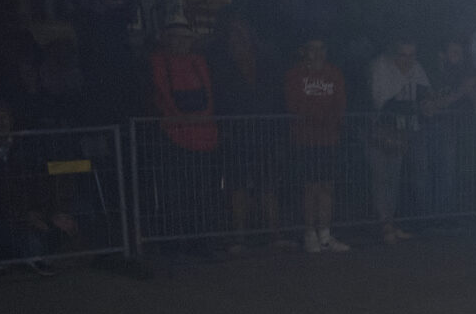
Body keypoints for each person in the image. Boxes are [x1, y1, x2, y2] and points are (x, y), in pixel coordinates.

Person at [0, 100, 74, 274]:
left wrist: (50, 212)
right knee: (19, 236)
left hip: (32, 213)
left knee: (63, 222)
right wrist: (22, 215)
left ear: (11, 120)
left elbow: (41, 185)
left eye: (3, 118)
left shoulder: (26, 148)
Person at [209, 15, 282, 244]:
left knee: (267, 184)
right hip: (236, 135)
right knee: (237, 185)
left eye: (242, 33)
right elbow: (220, 100)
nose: (238, 38)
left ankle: (273, 233)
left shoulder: (265, 64)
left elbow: (274, 97)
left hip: (263, 133)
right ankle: (239, 234)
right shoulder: (222, 67)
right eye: (234, 34)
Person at [148, 22, 221, 237]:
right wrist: (183, 117)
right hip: (173, 135)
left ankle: (202, 238)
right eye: (175, 37)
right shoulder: (158, 62)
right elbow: (162, 93)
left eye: (186, 38)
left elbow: (208, 94)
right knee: (175, 192)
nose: (181, 43)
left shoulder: (199, 62)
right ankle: (176, 240)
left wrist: (199, 117)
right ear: (166, 39)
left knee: (202, 191)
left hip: (202, 134)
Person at [283, 37, 350, 252]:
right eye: (312, 49)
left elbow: (340, 104)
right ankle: (309, 232)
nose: (317, 53)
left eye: (321, 48)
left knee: (327, 186)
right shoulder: (295, 74)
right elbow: (294, 105)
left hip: (329, 139)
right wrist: (320, 116)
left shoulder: (334, 73)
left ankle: (325, 234)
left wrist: (327, 119)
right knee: (310, 187)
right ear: (304, 51)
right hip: (306, 140)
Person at [368, 36, 431, 241]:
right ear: (393, 53)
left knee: (394, 179)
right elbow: (381, 102)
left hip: (404, 131)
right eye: (403, 55)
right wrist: (413, 105)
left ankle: (391, 222)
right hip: (380, 130)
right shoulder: (380, 66)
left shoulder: (416, 67)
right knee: (381, 177)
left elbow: (426, 94)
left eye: (411, 55)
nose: (407, 59)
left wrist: (427, 101)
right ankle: (383, 224)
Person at [421, 39, 476, 218]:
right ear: (441, 55)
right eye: (454, 53)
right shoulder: (429, 73)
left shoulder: (462, 72)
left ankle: (444, 215)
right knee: (425, 172)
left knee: (448, 173)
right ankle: (425, 216)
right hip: (427, 128)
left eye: (460, 53)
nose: (458, 57)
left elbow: (471, 84)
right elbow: (427, 101)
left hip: (453, 129)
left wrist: (445, 101)